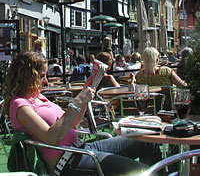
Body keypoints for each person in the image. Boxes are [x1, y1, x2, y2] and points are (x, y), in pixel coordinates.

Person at [4, 51, 163, 176]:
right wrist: (78, 101)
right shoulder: (19, 105)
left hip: (82, 148)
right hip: (68, 161)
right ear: (28, 77)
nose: (46, 81)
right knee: (143, 171)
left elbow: (73, 124)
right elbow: (51, 137)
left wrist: (85, 96)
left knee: (148, 142)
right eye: (42, 77)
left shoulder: (38, 96)